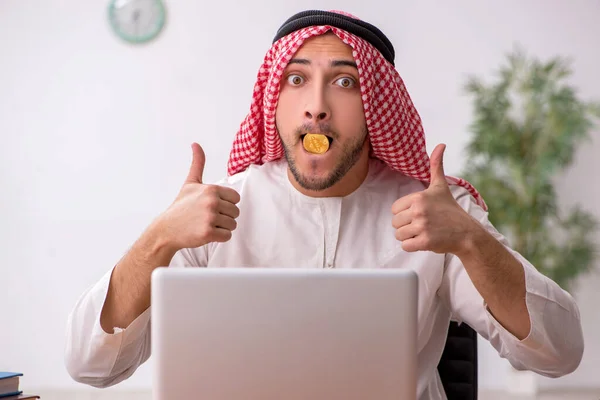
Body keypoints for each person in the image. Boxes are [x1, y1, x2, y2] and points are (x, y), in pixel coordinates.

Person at [64, 9, 584, 399]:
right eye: (296, 80)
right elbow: (90, 365)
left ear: (377, 107)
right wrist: (160, 237)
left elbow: (561, 354)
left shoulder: (436, 214)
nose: (316, 106)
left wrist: (470, 240)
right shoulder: (216, 211)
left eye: (344, 82)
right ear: (275, 98)